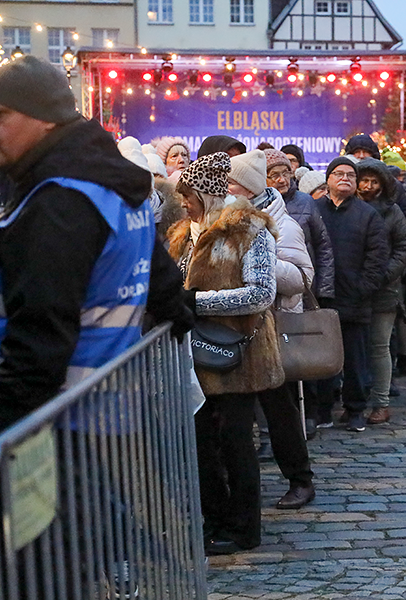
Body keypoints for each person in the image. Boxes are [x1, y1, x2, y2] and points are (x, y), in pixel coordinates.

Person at [0, 55, 192, 440]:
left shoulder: (59, 202)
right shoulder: (113, 185)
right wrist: (177, 312)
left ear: (44, 119)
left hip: (50, 419)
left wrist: (0, 432)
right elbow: (159, 274)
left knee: (75, 499)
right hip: (103, 408)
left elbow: (40, 337)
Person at [167, 152, 282, 554]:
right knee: (201, 447)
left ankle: (244, 528)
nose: (183, 202)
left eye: (189, 194)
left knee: (236, 445)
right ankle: (212, 521)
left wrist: (197, 303)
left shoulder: (250, 230)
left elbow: (261, 293)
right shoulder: (184, 234)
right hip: (192, 358)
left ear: (208, 192)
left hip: (238, 357)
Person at [227, 149, 317, 508]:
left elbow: (302, 278)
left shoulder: (284, 223)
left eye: (232, 183)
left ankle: (300, 479)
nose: (226, 189)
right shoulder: (226, 219)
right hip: (235, 328)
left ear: (248, 188)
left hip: (270, 328)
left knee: (280, 412)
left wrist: (260, 263)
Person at [314, 157, 388, 432]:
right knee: (321, 360)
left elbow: (378, 257)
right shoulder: (315, 209)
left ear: (356, 183)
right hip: (322, 298)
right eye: (338, 173)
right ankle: (323, 410)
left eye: (350, 175)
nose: (344, 178)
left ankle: (355, 409)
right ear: (329, 179)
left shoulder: (367, 214)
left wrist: (363, 288)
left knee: (356, 360)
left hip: (355, 299)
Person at [356, 158, 406, 424]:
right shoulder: (349, 207)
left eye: (373, 181)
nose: (368, 186)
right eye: (364, 181)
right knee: (355, 346)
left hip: (384, 289)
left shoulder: (393, 212)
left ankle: (380, 401)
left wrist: (386, 274)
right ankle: (355, 399)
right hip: (353, 288)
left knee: (379, 345)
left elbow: (404, 247)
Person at [264, 149, 334, 303]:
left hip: (303, 288)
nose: (282, 180)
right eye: (275, 175)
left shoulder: (305, 201)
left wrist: (324, 291)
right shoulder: (256, 205)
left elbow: (323, 247)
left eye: (286, 173)